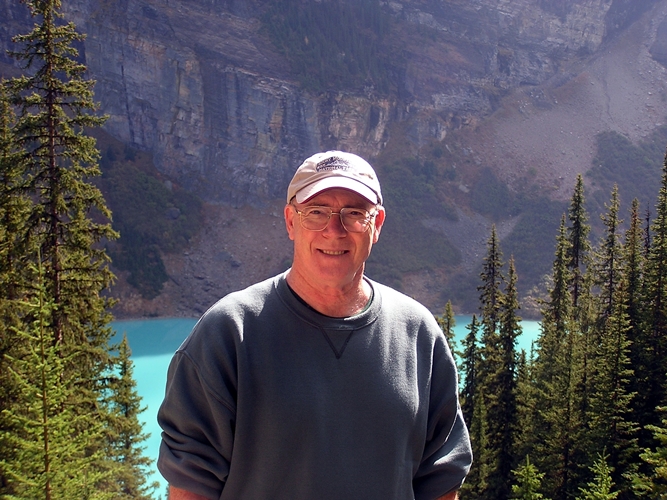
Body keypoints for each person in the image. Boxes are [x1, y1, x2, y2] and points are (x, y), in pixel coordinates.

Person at [157, 151, 473, 500]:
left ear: (377, 224)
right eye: (316, 212)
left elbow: (440, 481)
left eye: (354, 213)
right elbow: (191, 483)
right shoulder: (228, 333)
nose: (334, 230)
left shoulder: (418, 334)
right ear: (291, 221)